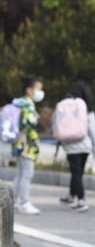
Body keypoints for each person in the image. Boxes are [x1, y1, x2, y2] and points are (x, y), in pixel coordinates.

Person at [58, 81, 95, 212]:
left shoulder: (65, 106)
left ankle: (80, 199)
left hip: (70, 145)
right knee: (78, 172)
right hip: (84, 145)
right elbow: (94, 132)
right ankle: (73, 195)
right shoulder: (86, 109)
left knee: (76, 172)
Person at [12, 75, 44, 215]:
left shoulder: (19, 103)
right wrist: (35, 142)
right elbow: (28, 126)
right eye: (38, 89)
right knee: (27, 174)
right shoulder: (27, 105)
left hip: (18, 143)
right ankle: (25, 202)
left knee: (20, 174)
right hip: (27, 145)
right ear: (29, 90)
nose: (40, 92)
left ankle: (13, 201)